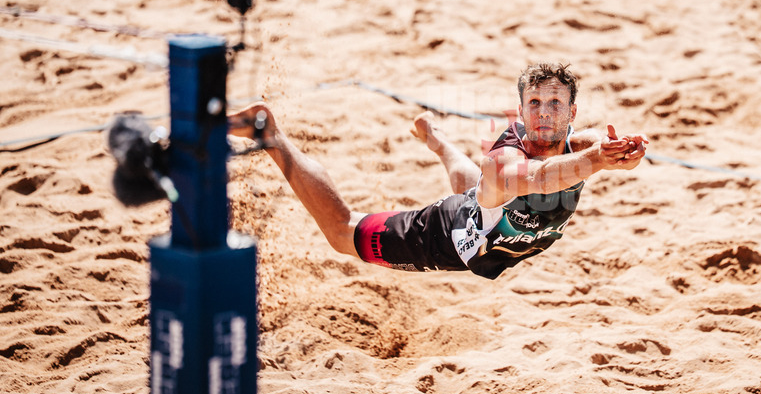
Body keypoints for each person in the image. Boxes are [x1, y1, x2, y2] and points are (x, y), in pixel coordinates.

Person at [228, 63, 648, 280]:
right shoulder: (503, 162)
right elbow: (542, 178)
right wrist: (598, 161)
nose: (544, 113)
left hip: (485, 221)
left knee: (476, 195)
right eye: (534, 103)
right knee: (342, 232)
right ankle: (270, 133)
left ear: (571, 112)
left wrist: (626, 150)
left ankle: (437, 139)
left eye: (555, 103)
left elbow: (594, 143)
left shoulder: (576, 141)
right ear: (520, 110)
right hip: (442, 237)